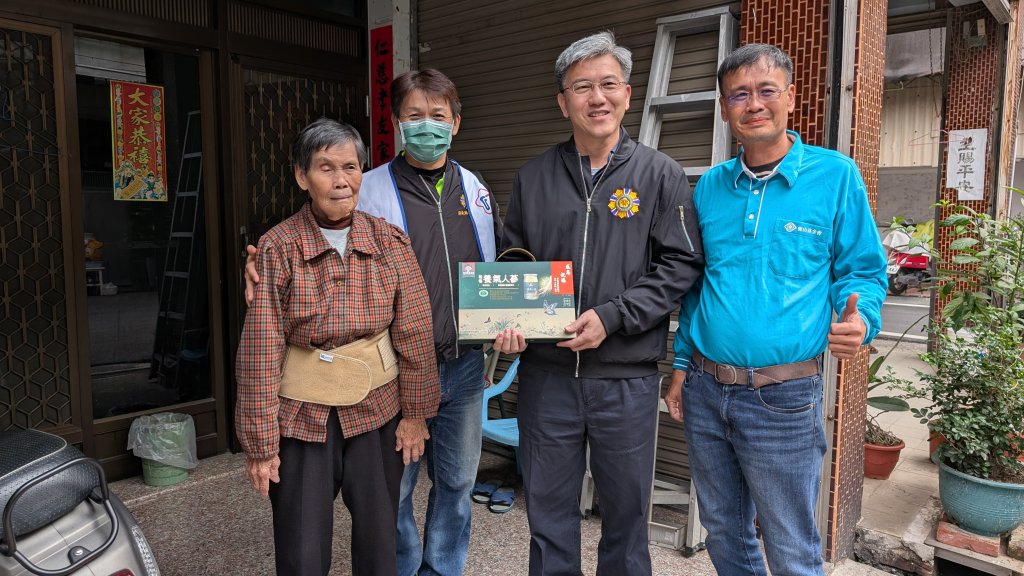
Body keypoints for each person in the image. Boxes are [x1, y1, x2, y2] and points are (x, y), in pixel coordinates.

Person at [245, 70, 507, 576]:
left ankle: (442, 570)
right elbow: (265, 336)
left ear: (456, 123)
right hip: (353, 388)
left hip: (457, 367)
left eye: (438, 116)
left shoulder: (473, 190)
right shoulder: (361, 195)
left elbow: (500, 270)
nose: (341, 180)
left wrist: (517, 326)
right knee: (391, 495)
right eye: (414, 116)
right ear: (396, 124)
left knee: (452, 485)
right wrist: (255, 261)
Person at [664, 44, 887, 576]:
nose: (754, 104)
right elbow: (699, 287)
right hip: (704, 388)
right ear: (724, 109)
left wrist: (860, 319)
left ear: (791, 97)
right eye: (739, 94)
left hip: (783, 398)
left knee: (790, 543)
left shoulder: (835, 176)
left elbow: (861, 271)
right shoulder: (711, 188)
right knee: (724, 531)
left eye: (766, 91)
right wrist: (678, 366)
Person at [493, 32, 704, 576]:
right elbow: (513, 263)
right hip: (547, 376)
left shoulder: (660, 175)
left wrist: (613, 317)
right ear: (563, 102)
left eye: (608, 84)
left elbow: (679, 265)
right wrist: (508, 322)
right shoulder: (533, 177)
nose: (597, 97)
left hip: (625, 381)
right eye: (582, 87)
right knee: (547, 513)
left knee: (627, 517)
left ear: (628, 95)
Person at [235, 118, 440, 576]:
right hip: (303, 416)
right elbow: (261, 349)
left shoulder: (389, 240)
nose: (341, 180)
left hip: (380, 410)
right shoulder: (278, 247)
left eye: (350, 166)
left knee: (379, 538)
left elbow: (415, 331)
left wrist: (415, 414)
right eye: (325, 167)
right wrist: (261, 444)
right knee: (302, 548)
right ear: (301, 176)